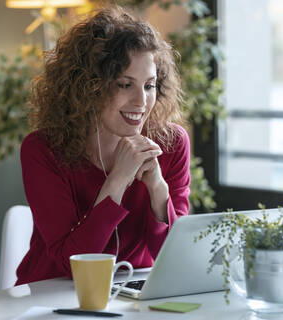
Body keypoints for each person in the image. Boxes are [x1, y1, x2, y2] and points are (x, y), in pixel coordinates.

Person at [16, 6, 191, 285]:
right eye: (124, 84)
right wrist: (118, 179)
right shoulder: (42, 150)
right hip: (50, 295)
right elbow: (72, 266)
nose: (141, 101)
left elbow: (175, 262)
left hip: (133, 297)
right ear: (89, 86)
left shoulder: (171, 144)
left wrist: (158, 189)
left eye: (149, 85)